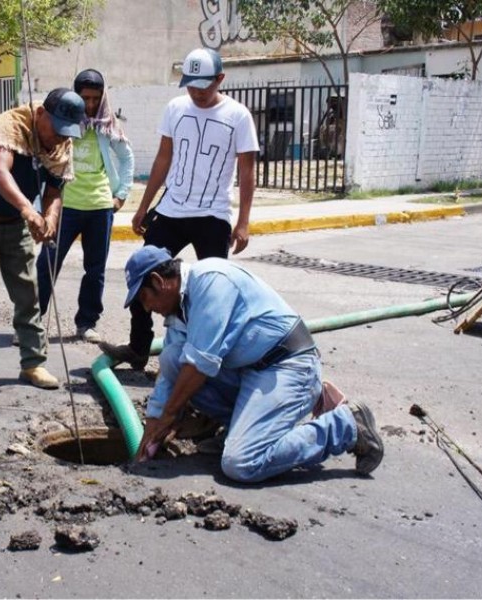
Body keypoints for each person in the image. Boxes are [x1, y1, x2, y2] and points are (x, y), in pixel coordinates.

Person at [124, 246, 384, 483]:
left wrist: (169, 415)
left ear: (159, 282)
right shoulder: (177, 311)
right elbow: (170, 375)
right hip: (251, 370)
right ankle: (239, 432)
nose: (146, 308)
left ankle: (345, 425)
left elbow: (199, 365)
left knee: (241, 463)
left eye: (144, 298)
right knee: (171, 359)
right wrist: (153, 423)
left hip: (287, 365)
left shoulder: (211, 281)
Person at [99, 47, 259, 369]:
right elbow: (163, 158)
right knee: (144, 278)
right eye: (192, 85)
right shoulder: (175, 108)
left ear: (220, 79)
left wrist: (242, 222)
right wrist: (144, 206)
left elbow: (246, 171)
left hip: (213, 216)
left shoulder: (238, 116)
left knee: (211, 292)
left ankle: (202, 359)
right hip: (171, 211)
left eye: (205, 85)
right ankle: (139, 348)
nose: (198, 93)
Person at [0, 88, 85, 400]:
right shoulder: (9, 125)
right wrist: (29, 209)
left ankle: (33, 364)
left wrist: (51, 219)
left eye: (66, 132)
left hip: (14, 225)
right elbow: (0, 173)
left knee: (28, 295)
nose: (59, 137)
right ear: (41, 114)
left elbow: (54, 190)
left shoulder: (61, 142)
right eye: (55, 128)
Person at [36, 69, 134, 344]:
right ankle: (32, 323)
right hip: (64, 206)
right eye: (85, 98)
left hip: (100, 206)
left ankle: (87, 322)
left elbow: (126, 159)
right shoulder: (64, 121)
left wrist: (121, 194)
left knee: (96, 269)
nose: (90, 104)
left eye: (95, 98)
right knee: (47, 263)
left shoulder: (108, 125)